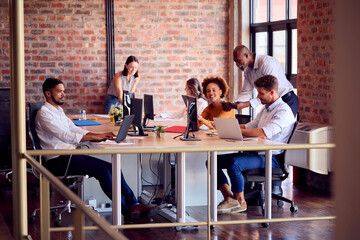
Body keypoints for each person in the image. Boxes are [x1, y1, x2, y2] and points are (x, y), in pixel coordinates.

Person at [36, 78, 157, 223]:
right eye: (59, 91)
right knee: (102, 171)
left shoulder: (58, 111)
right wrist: (95, 136)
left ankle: (134, 204)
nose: (63, 94)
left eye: (63, 91)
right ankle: (127, 211)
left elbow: (73, 128)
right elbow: (66, 136)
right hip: (58, 160)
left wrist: (96, 136)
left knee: (112, 167)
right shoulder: (44, 113)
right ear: (48, 94)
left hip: (69, 156)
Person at [215, 75, 295, 214]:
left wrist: (236, 132)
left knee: (234, 163)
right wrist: (225, 127)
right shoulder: (265, 109)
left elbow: (262, 133)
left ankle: (240, 202)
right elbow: (248, 126)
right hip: (257, 153)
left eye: (261, 93)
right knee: (212, 161)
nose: (258, 97)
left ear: (272, 92)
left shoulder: (283, 111)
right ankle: (229, 198)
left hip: (273, 158)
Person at [227, 45, 299, 117]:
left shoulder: (267, 63)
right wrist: (233, 104)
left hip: (287, 99)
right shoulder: (247, 71)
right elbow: (246, 92)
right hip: (271, 103)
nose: (237, 64)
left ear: (246, 55)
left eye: (238, 60)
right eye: (235, 61)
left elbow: (269, 91)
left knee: (281, 127)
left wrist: (247, 104)